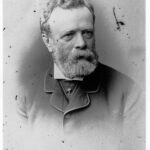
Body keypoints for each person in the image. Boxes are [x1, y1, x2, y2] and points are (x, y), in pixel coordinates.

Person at [16, 0, 145, 149]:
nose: (82, 43)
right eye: (69, 35)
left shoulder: (129, 93)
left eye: (87, 33)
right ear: (48, 41)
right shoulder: (24, 96)